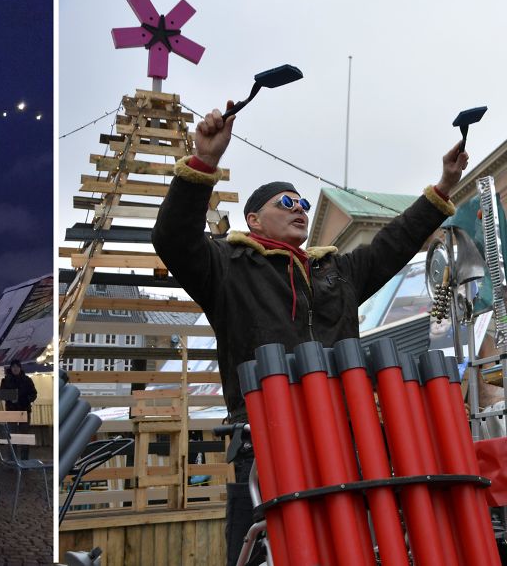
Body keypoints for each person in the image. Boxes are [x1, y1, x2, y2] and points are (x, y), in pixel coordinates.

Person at [151, 100, 467, 566]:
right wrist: (205, 161)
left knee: (349, 545)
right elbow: (173, 239)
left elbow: (392, 244)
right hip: (266, 436)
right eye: (287, 203)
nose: (300, 208)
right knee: (265, 548)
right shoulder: (227, 267)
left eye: (303, 203)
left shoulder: (336, 270)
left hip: (344, 432)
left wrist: (442, 187)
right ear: (254, 220)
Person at [1, 359, 38, 460]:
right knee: (11, 436)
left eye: (17, 367)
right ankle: (11, 459)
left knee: (24, 436)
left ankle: (24, 459)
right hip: (11, 411)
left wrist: (26, 400)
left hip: (24, 410)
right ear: (11, 368)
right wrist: (9, 399)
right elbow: (2, 394)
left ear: (20, 368)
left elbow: (34, 394)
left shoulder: (27, 380)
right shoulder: (6, 380)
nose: (15, 369)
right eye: (13, 367)